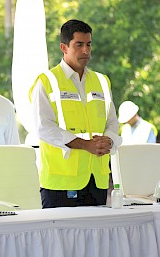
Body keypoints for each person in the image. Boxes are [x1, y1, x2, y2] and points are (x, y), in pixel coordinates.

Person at [29, 19, 122, 208]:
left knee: (97, 237)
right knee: (59, 238)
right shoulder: (47, 81)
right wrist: (85, 145)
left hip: (97, 179)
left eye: (88, 44)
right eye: (78, 45)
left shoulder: (102, 81)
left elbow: (112, 122)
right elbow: (44, 128)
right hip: (60, 183)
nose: (85, 51)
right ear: (64, 47)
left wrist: (109, 140)